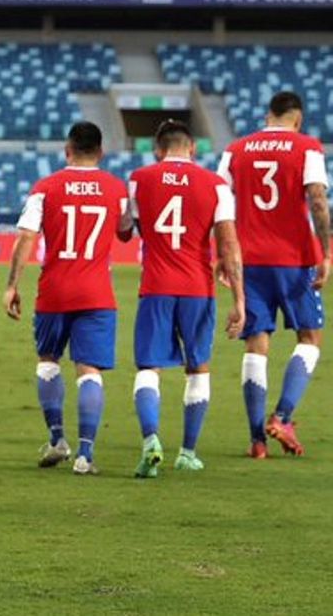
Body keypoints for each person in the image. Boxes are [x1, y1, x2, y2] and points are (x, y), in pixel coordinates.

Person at [3, 121, 128, 475]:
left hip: (54, 290)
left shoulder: (46, 187)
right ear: (101, 153)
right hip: (97, 293)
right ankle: (85, 456)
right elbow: (124, 231)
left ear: (67, 151)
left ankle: (58, 438)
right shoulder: (116, 188)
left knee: (48, 362)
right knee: (88, 371)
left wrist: (12, 285)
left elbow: (25, 238)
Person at [124, 121, 245, 477]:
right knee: (198, 367)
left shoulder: (139, 178)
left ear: (158, 149)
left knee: (149, 367)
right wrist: (239, 299)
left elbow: (127, 229)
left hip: (156, 285)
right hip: (197, 287)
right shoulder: (216, 185)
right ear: (192, 148)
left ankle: (150, 442)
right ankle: (188, 452)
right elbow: (230, 246)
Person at [217, 91, 329, 458]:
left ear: (268, 116)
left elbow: (220, 201)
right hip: (294, 258)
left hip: (248, 259)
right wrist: (327, 252)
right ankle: (281, 416)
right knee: (310, 337)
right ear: (297, 119)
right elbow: (316, 199)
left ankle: (256, 441)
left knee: (256, 342)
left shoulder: (235, 149)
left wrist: (222, 253)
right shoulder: (307, 146)